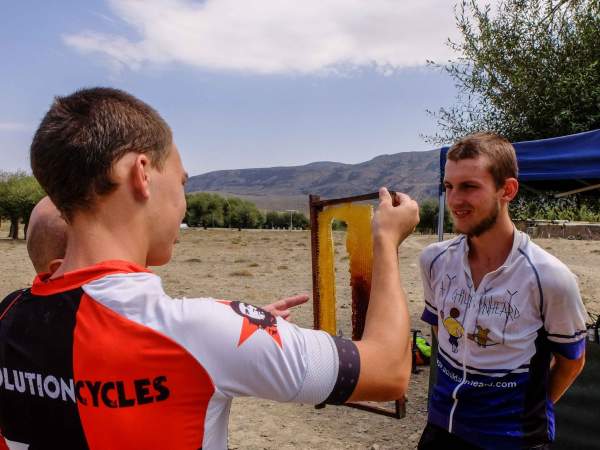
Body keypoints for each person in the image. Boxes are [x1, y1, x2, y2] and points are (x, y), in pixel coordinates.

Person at [0, 87, 419, 450]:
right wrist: (385, 241)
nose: (182, 201)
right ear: (141, 173)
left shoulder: (8, 315)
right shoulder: (200, 331)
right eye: (181, 182)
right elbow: (387, 372)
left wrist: (241, 332)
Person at [418, 132, 588, 450]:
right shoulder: (434, 260)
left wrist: (527, 411)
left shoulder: (550, 277)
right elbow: (442, 336)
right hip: (441, 429)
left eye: (469, 186)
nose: (454, 200)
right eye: (449, 187)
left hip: (513, 439)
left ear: (507, 190)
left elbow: (572, 363)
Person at [24, 195, 308, 320]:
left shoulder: (15, 316)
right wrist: (237, 329)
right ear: (60, 271)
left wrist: (249, 323)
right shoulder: (145, 329)